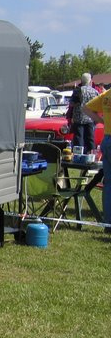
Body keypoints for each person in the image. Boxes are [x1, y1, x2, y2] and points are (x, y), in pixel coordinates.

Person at [83, 87, 111, 231]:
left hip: (107, 140)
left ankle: (108, 223)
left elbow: (86, 108)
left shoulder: (106, 95)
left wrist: (102, 121)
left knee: (108, 184)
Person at [70, 73, 99, 152]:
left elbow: (72, 103)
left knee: (79, 138)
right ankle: (91, 154)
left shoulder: (78, 90)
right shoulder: (95, 91)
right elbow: (97, 106)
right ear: (90, 81)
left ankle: (78, 155)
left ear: (81, 80)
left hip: (79, 118)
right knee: (90, 138)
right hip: (90, 118)